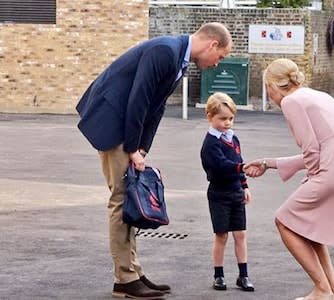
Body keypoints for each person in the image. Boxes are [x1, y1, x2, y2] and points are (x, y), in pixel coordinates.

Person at [76, 23, 232, 299]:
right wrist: (133, 146)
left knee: (131, 197)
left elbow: (155, 108)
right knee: (122, 199)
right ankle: (124, 279)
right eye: (219, 57)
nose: (216, 64)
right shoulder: (165, 51)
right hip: (112, 121)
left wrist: (142, 148)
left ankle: (132, 272)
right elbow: (139, 99)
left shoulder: (177, 58)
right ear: (212, 45)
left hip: (124, 126)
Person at [244, 58, 334, 300]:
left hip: (332, 169)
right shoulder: (318, 96)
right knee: (309, 228)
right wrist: (268, 163)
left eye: (266, 86)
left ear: (273, 85)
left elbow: (311, 150)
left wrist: (313, 178)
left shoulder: (291, 102)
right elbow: (326, 148)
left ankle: (322, 289)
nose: (267, 92)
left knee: (284, 220)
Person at [200, 92, 255, 292]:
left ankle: (243, 275)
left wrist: (244, 185)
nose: (227, 123)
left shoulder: (233, 139)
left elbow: (239, 161)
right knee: (221, 235)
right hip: (219, 193)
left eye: (230, 118)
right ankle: (219, 275)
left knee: (240, 234)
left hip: (235, 191)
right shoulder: (210, 143)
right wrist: (241, 168)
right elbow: (221, 165)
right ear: (210, 117)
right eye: (222, 119)